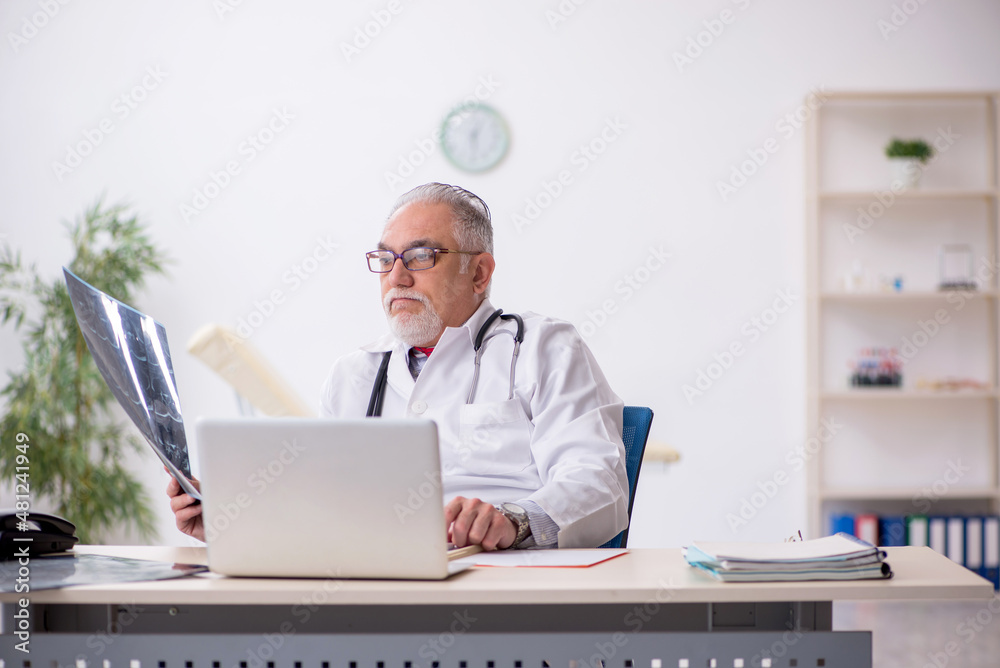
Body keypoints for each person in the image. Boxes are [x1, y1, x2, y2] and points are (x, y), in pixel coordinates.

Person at [169, 183, 629, 550]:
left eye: (421, 257)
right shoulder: (354, 374)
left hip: (502, 580)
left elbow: (598, 481)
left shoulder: (544, 348)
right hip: (375, 587)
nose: (396, 277)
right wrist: (233, 521)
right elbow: (325, 509)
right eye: (386, 259)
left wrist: (514, 520)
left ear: (479, 273)